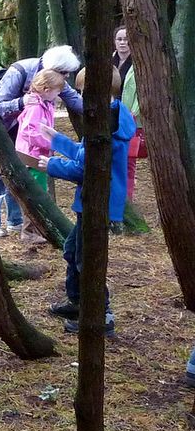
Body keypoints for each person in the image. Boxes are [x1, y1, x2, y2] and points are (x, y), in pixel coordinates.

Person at [39, 66, 135, 336]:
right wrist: (57, 140)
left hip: (98, 203)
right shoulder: (107, 117)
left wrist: (53, 166)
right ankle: (78, 303)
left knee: (87, 260)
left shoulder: (111, 127)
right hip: (88, 203)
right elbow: (84, 152)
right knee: (73, 252)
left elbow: (89, 168)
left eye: (84, 92)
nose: (81, 97)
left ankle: (101, 315)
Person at [0, 44, 83, 237]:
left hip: (23, 140)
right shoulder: (21, 71)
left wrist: (103, 110)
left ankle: (15, 221)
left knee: (19, 177)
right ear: (54, 69)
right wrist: (21, 103)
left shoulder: (54, 84)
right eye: (65, 73)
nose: (67, 78)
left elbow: (74, 99)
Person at [13, 69, 66, 243]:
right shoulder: (35, 107)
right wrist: (50, 143)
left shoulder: (44, 104)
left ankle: (37, 229)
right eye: (57, 91)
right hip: (31, 156)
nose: (59, 94)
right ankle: (29, 232)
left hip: (38, 155)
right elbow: (30, 132)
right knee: (37, 193)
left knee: (40, 191)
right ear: (46, 89)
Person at [114, 27, 145, 202]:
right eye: (119, 39)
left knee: (128, 161)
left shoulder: (139, 62)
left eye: (126, 39)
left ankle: (126, 200)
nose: (123, 43)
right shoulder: (109, 60)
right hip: (109, 115)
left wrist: (133, 113)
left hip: (130, 118)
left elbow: (144, 92)